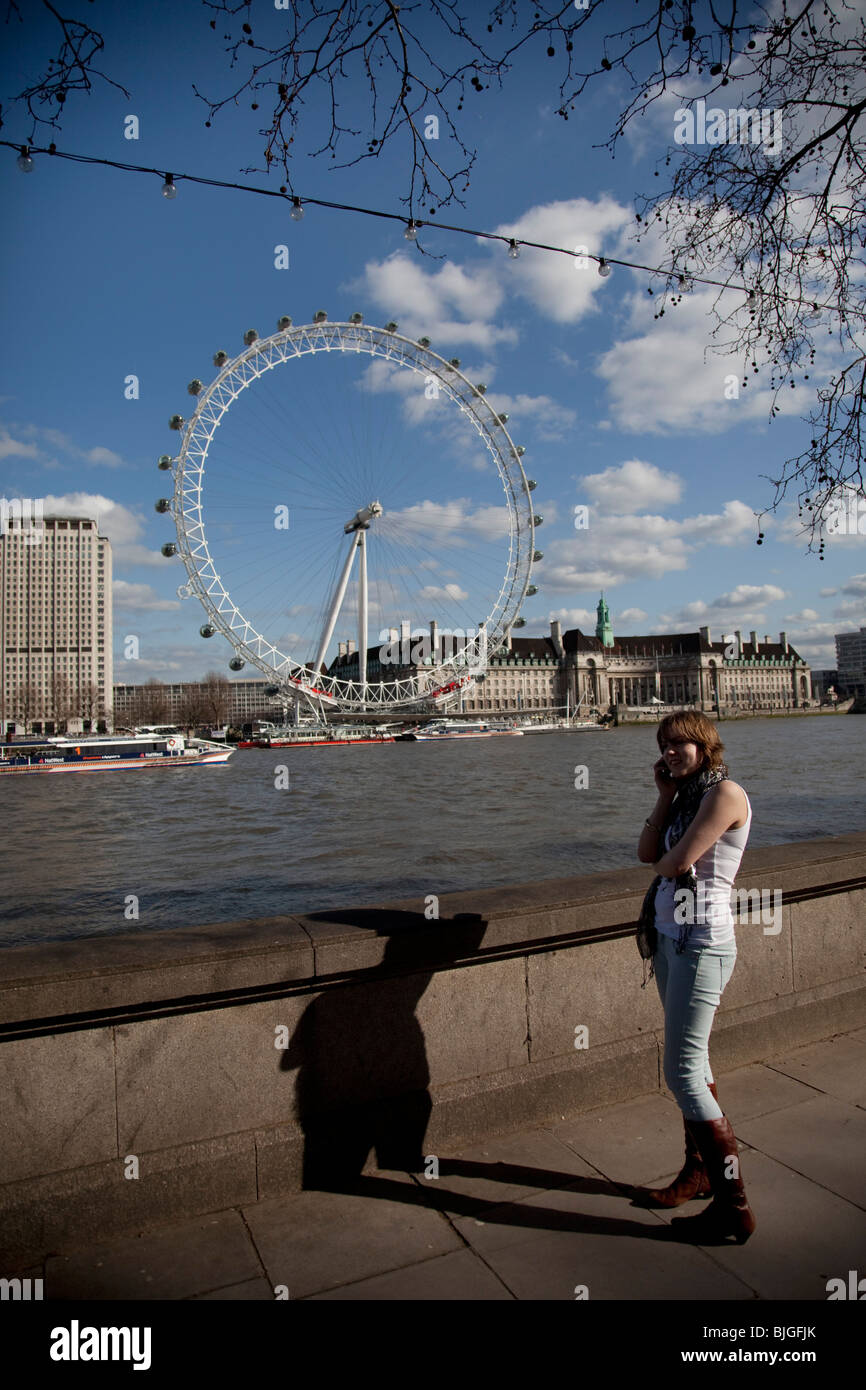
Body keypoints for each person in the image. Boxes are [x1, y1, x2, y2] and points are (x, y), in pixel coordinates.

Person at [632, 710, 756, 1244]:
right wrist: (663, 796)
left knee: (682, 1073)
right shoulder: (683, 797)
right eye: (665, 743)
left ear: (706, 745)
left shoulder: (724, 794)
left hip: (702, 944)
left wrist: (669, 856)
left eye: (682, 742)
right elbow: (645, 854)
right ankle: (700, 1173)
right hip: (669, 940)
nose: (671, 750)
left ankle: (735, 1206)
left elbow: (674, 862)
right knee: (696, 1065)